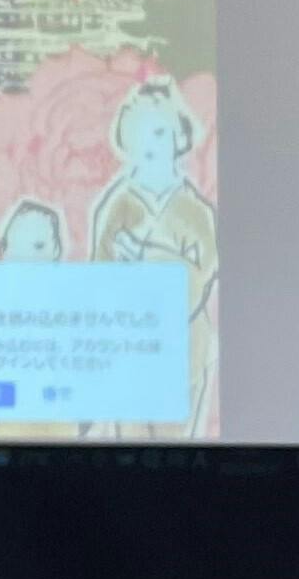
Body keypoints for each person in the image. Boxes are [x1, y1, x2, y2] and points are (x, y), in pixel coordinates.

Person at [85, 79, 219, 434]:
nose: (150, 144)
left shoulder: (197, 211)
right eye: (138, 135)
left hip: (185, 351)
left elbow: (203, 277)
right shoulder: (116, 207)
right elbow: (99, 278)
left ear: (179, 137)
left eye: (159, 132)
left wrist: (150, 257)